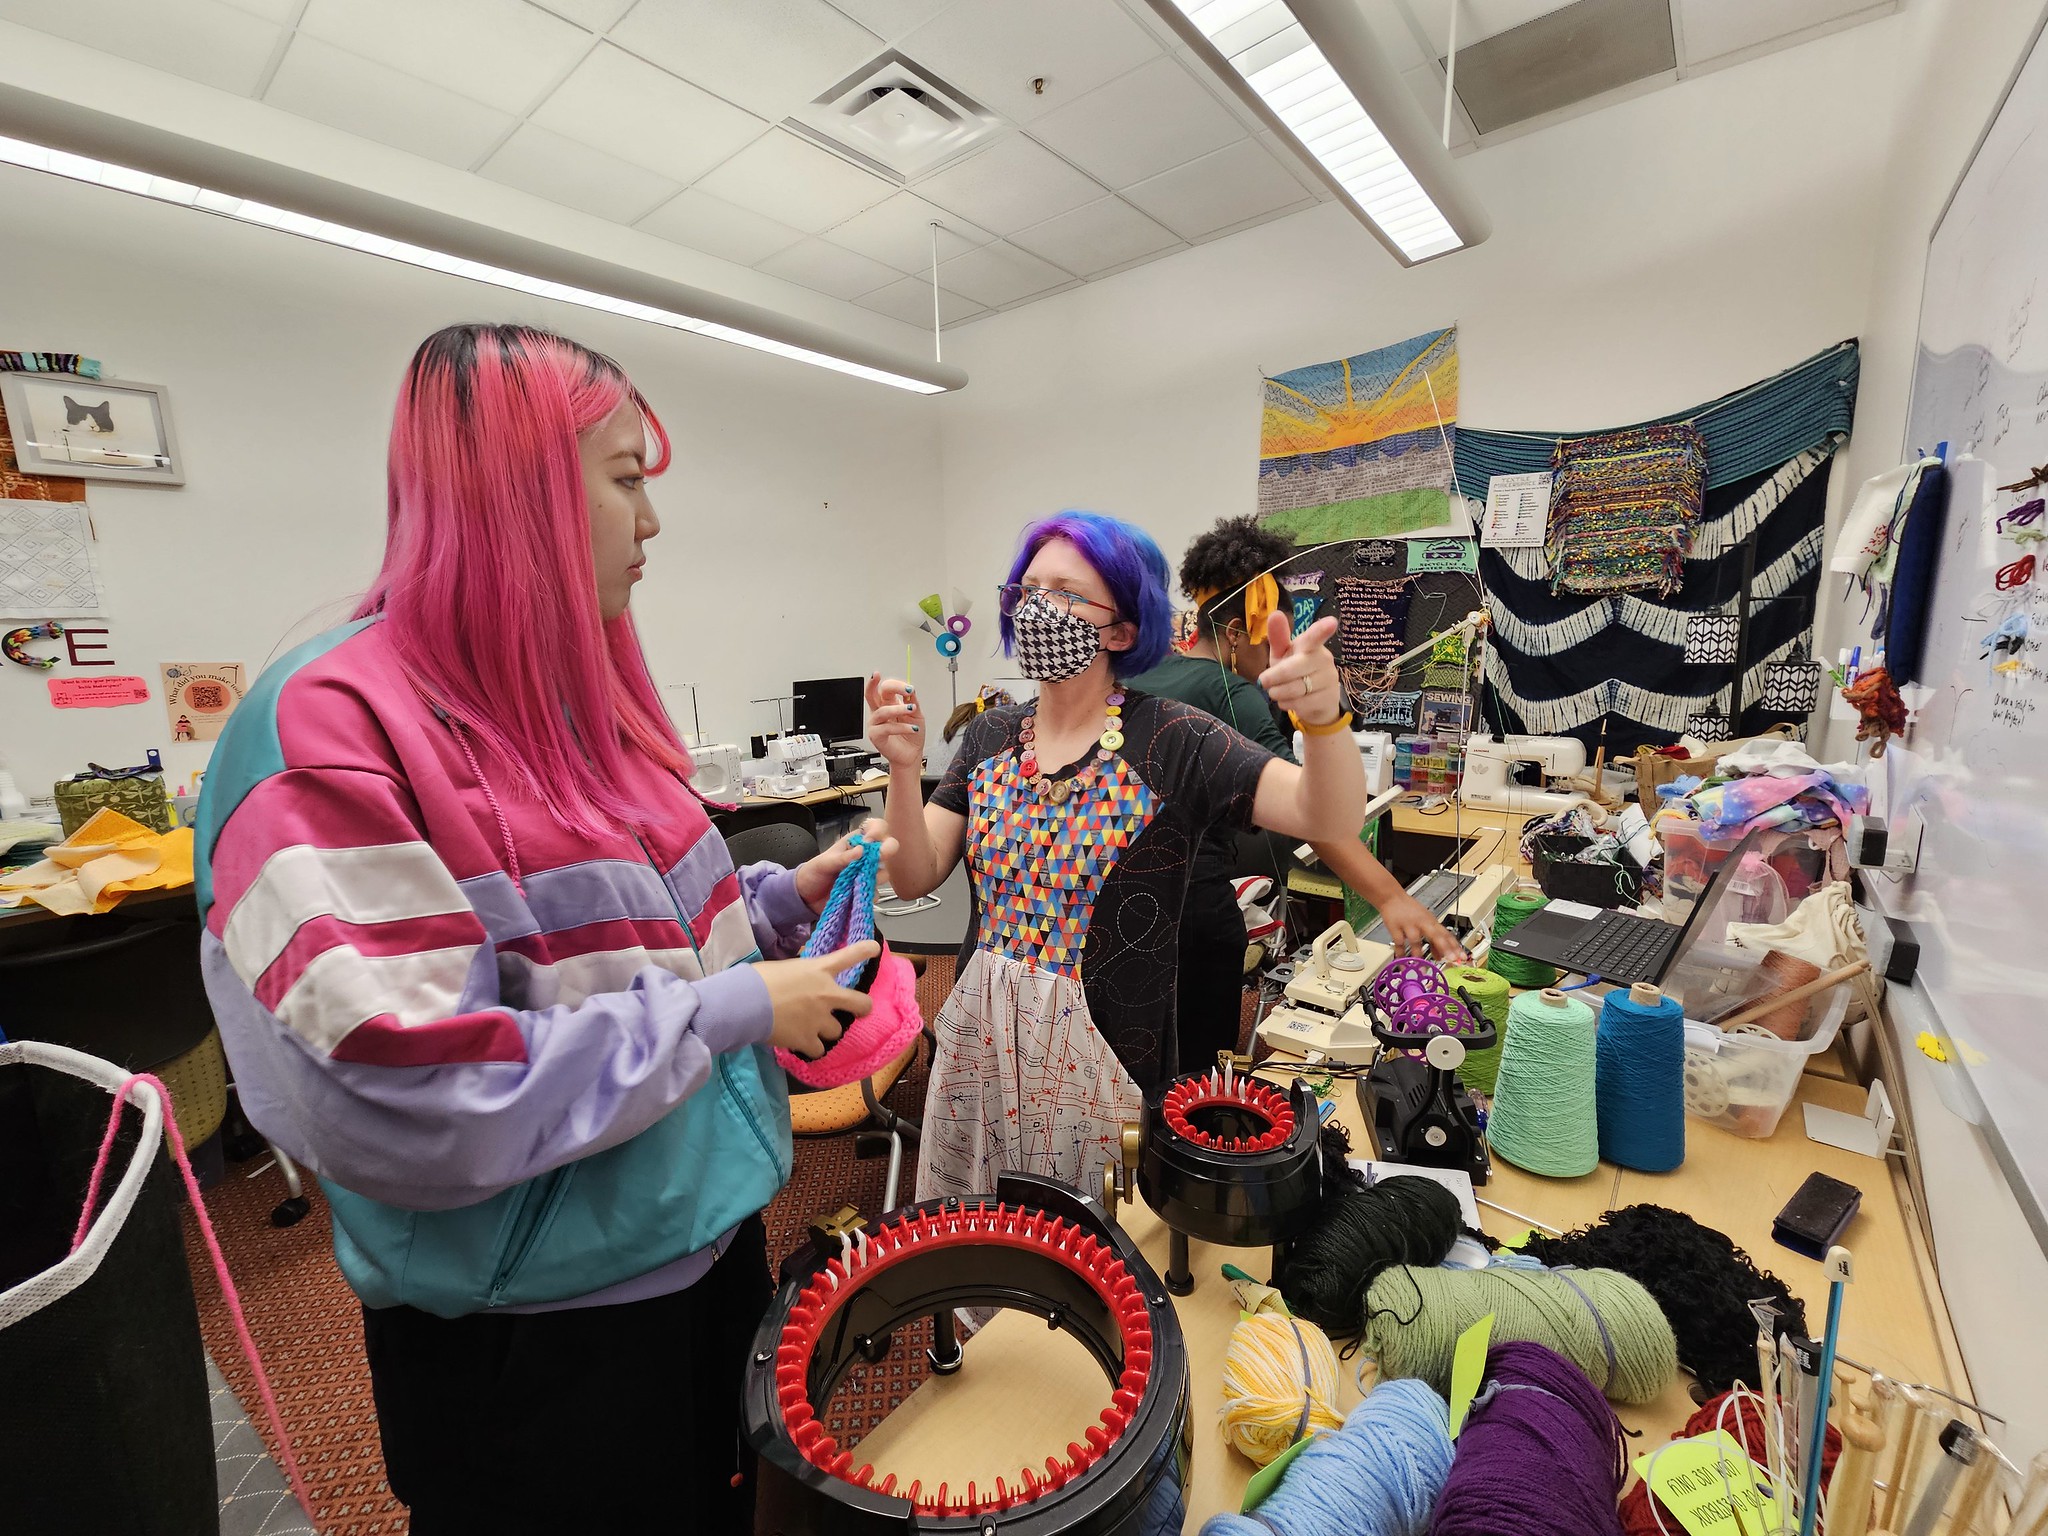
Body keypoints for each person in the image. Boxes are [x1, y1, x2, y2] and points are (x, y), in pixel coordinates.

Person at [195, 324, 885, 1535]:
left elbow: (618, 943)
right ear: (516, 493)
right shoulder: (324, 732)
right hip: (534, 1339)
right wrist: (735, 1007)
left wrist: (776, 907)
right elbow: (417, 1094)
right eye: (626, 478)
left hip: (698, 1254)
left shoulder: (571, 707)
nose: (651, 522)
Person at [864, 510, 1367, 1209]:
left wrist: (1323, 723)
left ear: (1123, 629)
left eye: (1066, 593)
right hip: (982, 1039)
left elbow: (1331, 816)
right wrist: (902, 768)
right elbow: (914, 875)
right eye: (1026, 589)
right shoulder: (988, 736)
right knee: (978, 1229)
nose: (1038, 607)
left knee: (1093, 1250)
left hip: (1107, 1053)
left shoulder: (1176, 740)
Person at [1127, 516, 1467, 1065]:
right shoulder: (1232, 693)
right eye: (1270, 640)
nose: (1274, 659)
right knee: (1194, 1082)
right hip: (1195, 923)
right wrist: (1391, 896)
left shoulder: (1150, 676)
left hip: (1129, 915)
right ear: (1240, 633)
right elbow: (1313, 817)